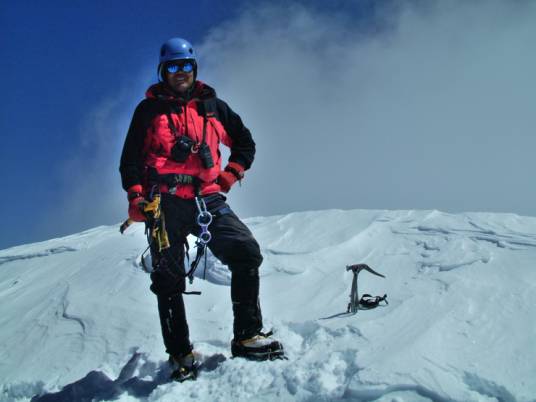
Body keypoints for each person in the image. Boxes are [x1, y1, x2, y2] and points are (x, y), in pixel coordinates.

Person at [119, 37, 283, 380]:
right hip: (162, 201)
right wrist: (136, 198)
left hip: (207, 198)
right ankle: (180, 354)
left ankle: (247, 336)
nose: (181, 73)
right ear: (163, 71)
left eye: (186, 66)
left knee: (246, 252)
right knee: (167, 277)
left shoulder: (214, 108)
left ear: (194, 69)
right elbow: (130, 160)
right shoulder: (148, 111)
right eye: (173, 67)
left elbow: (245, 144)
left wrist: (228, 177)